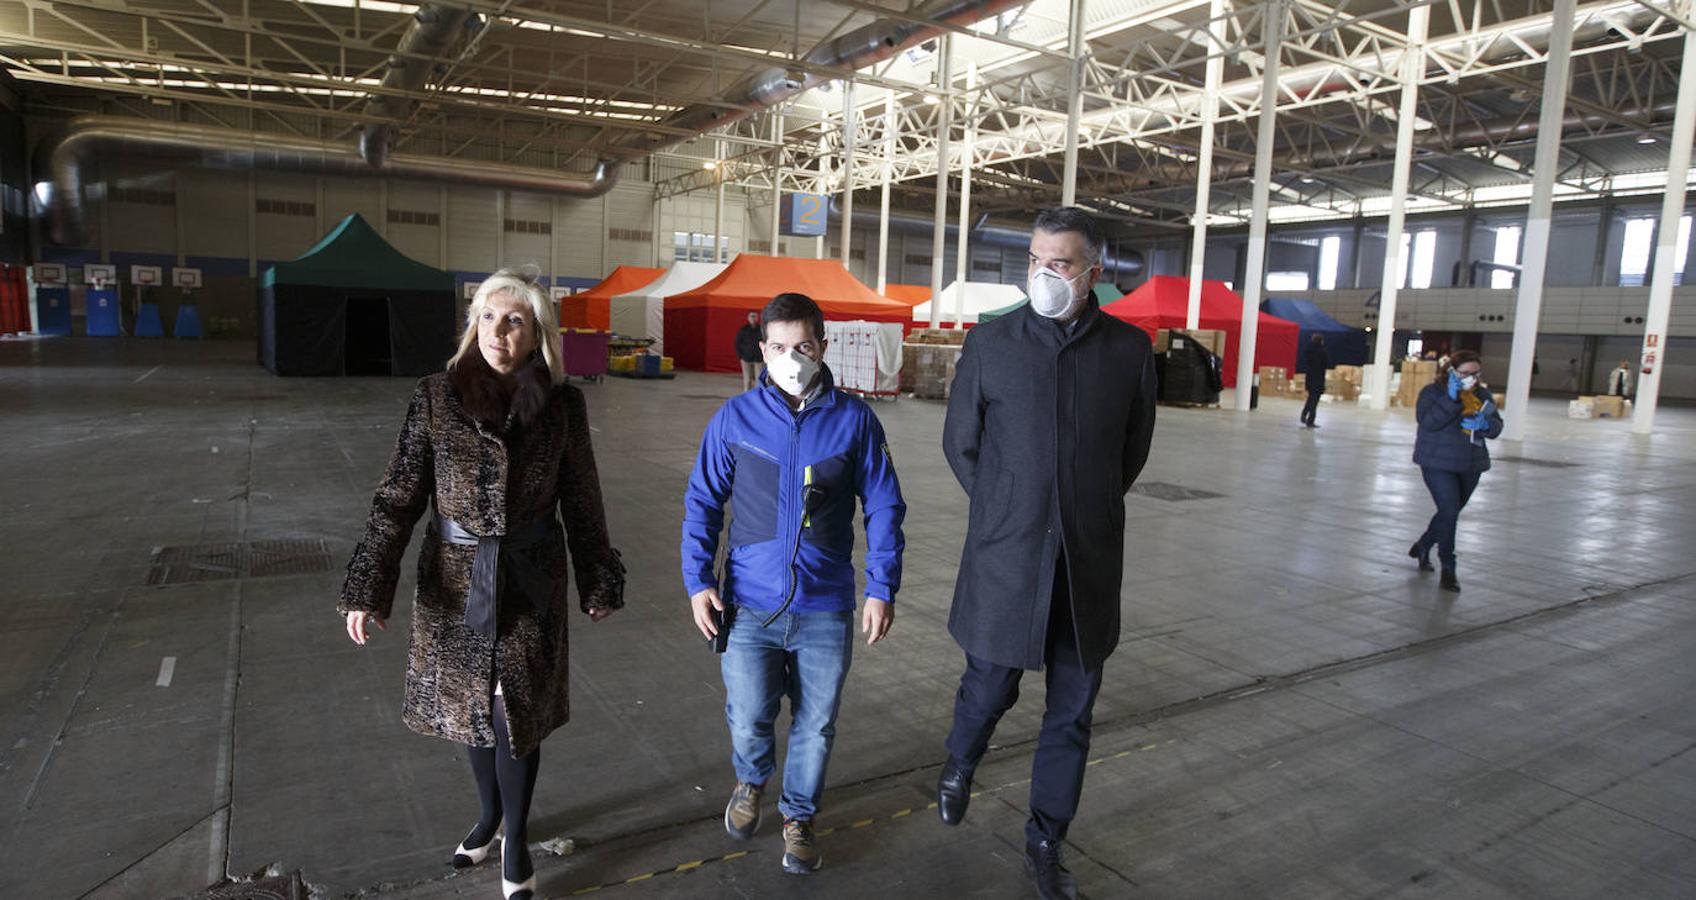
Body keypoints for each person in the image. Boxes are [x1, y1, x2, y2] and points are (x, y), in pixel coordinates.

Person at [339, 268, 626, 900]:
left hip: (529, 580)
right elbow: (397, 498)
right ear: (473, 325)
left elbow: (583, 501)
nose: (499, 331)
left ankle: (516, 836)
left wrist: (597, 577)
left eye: (515, 320)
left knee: (514, 708)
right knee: (473, 707)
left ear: (536, 335)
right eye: (489, 318)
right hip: (453, 579)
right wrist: (368, 585)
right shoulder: (435, 396)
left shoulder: (563, 406)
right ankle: (489, 815)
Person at [937, 208, 1158, 900]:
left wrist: (1079, 508)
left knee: (1071, 712)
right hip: (1008, 558)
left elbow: (1132, 449)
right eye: (1035, 259)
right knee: (990, 685)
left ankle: (1045, 837)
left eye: (1059, 263)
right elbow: (960, 443)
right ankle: (959, 760)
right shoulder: (992, 343)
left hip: (1086, 568)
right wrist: (1009, 505)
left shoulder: (1127, 352)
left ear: (1094, 272)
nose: (1043, 273)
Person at [682, 292, 906, 876]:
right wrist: (697, 579)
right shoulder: (734, 420)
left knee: (816, 720)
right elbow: (703, 502)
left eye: (802, 346)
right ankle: (751, 780)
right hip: (749, 604)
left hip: (825, 605)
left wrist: (882, 586)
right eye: (778, 348)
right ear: (763, 349)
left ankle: (799, 815)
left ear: (822, 347)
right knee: (750, 712)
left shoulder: (855, 420)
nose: (790, 358)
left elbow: (884, 505)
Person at [1408, 349, 1503, 594]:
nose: (1470, 377)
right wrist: (1450, 399)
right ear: (1451, 372)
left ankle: (1423, 544)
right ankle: (1448, 567)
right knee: (1449, 510)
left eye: (1475, 373)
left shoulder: (1482, 395)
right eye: (1464, 373)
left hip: (1471, 464)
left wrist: (1485, 425)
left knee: (1448, 514)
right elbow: (1428, 422)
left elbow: (1496, 425)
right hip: (1437, 462)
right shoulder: (1432, 393)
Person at [1300, 333, 1331, 428]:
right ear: (1321, 341)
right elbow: (1327, 364)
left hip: (1310, 378)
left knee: (1310, 398)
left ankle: (1304, 414)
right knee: (1314, 401)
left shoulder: (1308, 350)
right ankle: (1310, 420)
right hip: (1318, 379)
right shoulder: (1323, 352)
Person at [735, 310, 764, 392]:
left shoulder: (762, 330)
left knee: (758, 379)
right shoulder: (743, 330)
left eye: (755, 316)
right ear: (748, 318)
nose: (753, 318)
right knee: (747, 379)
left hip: (759, 358)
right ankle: (747, 395)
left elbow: (766, 342)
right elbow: (737, 343)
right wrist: (740, 356)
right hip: (746, 358)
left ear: (757, 318)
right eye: (751, 316)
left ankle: (757, 396)